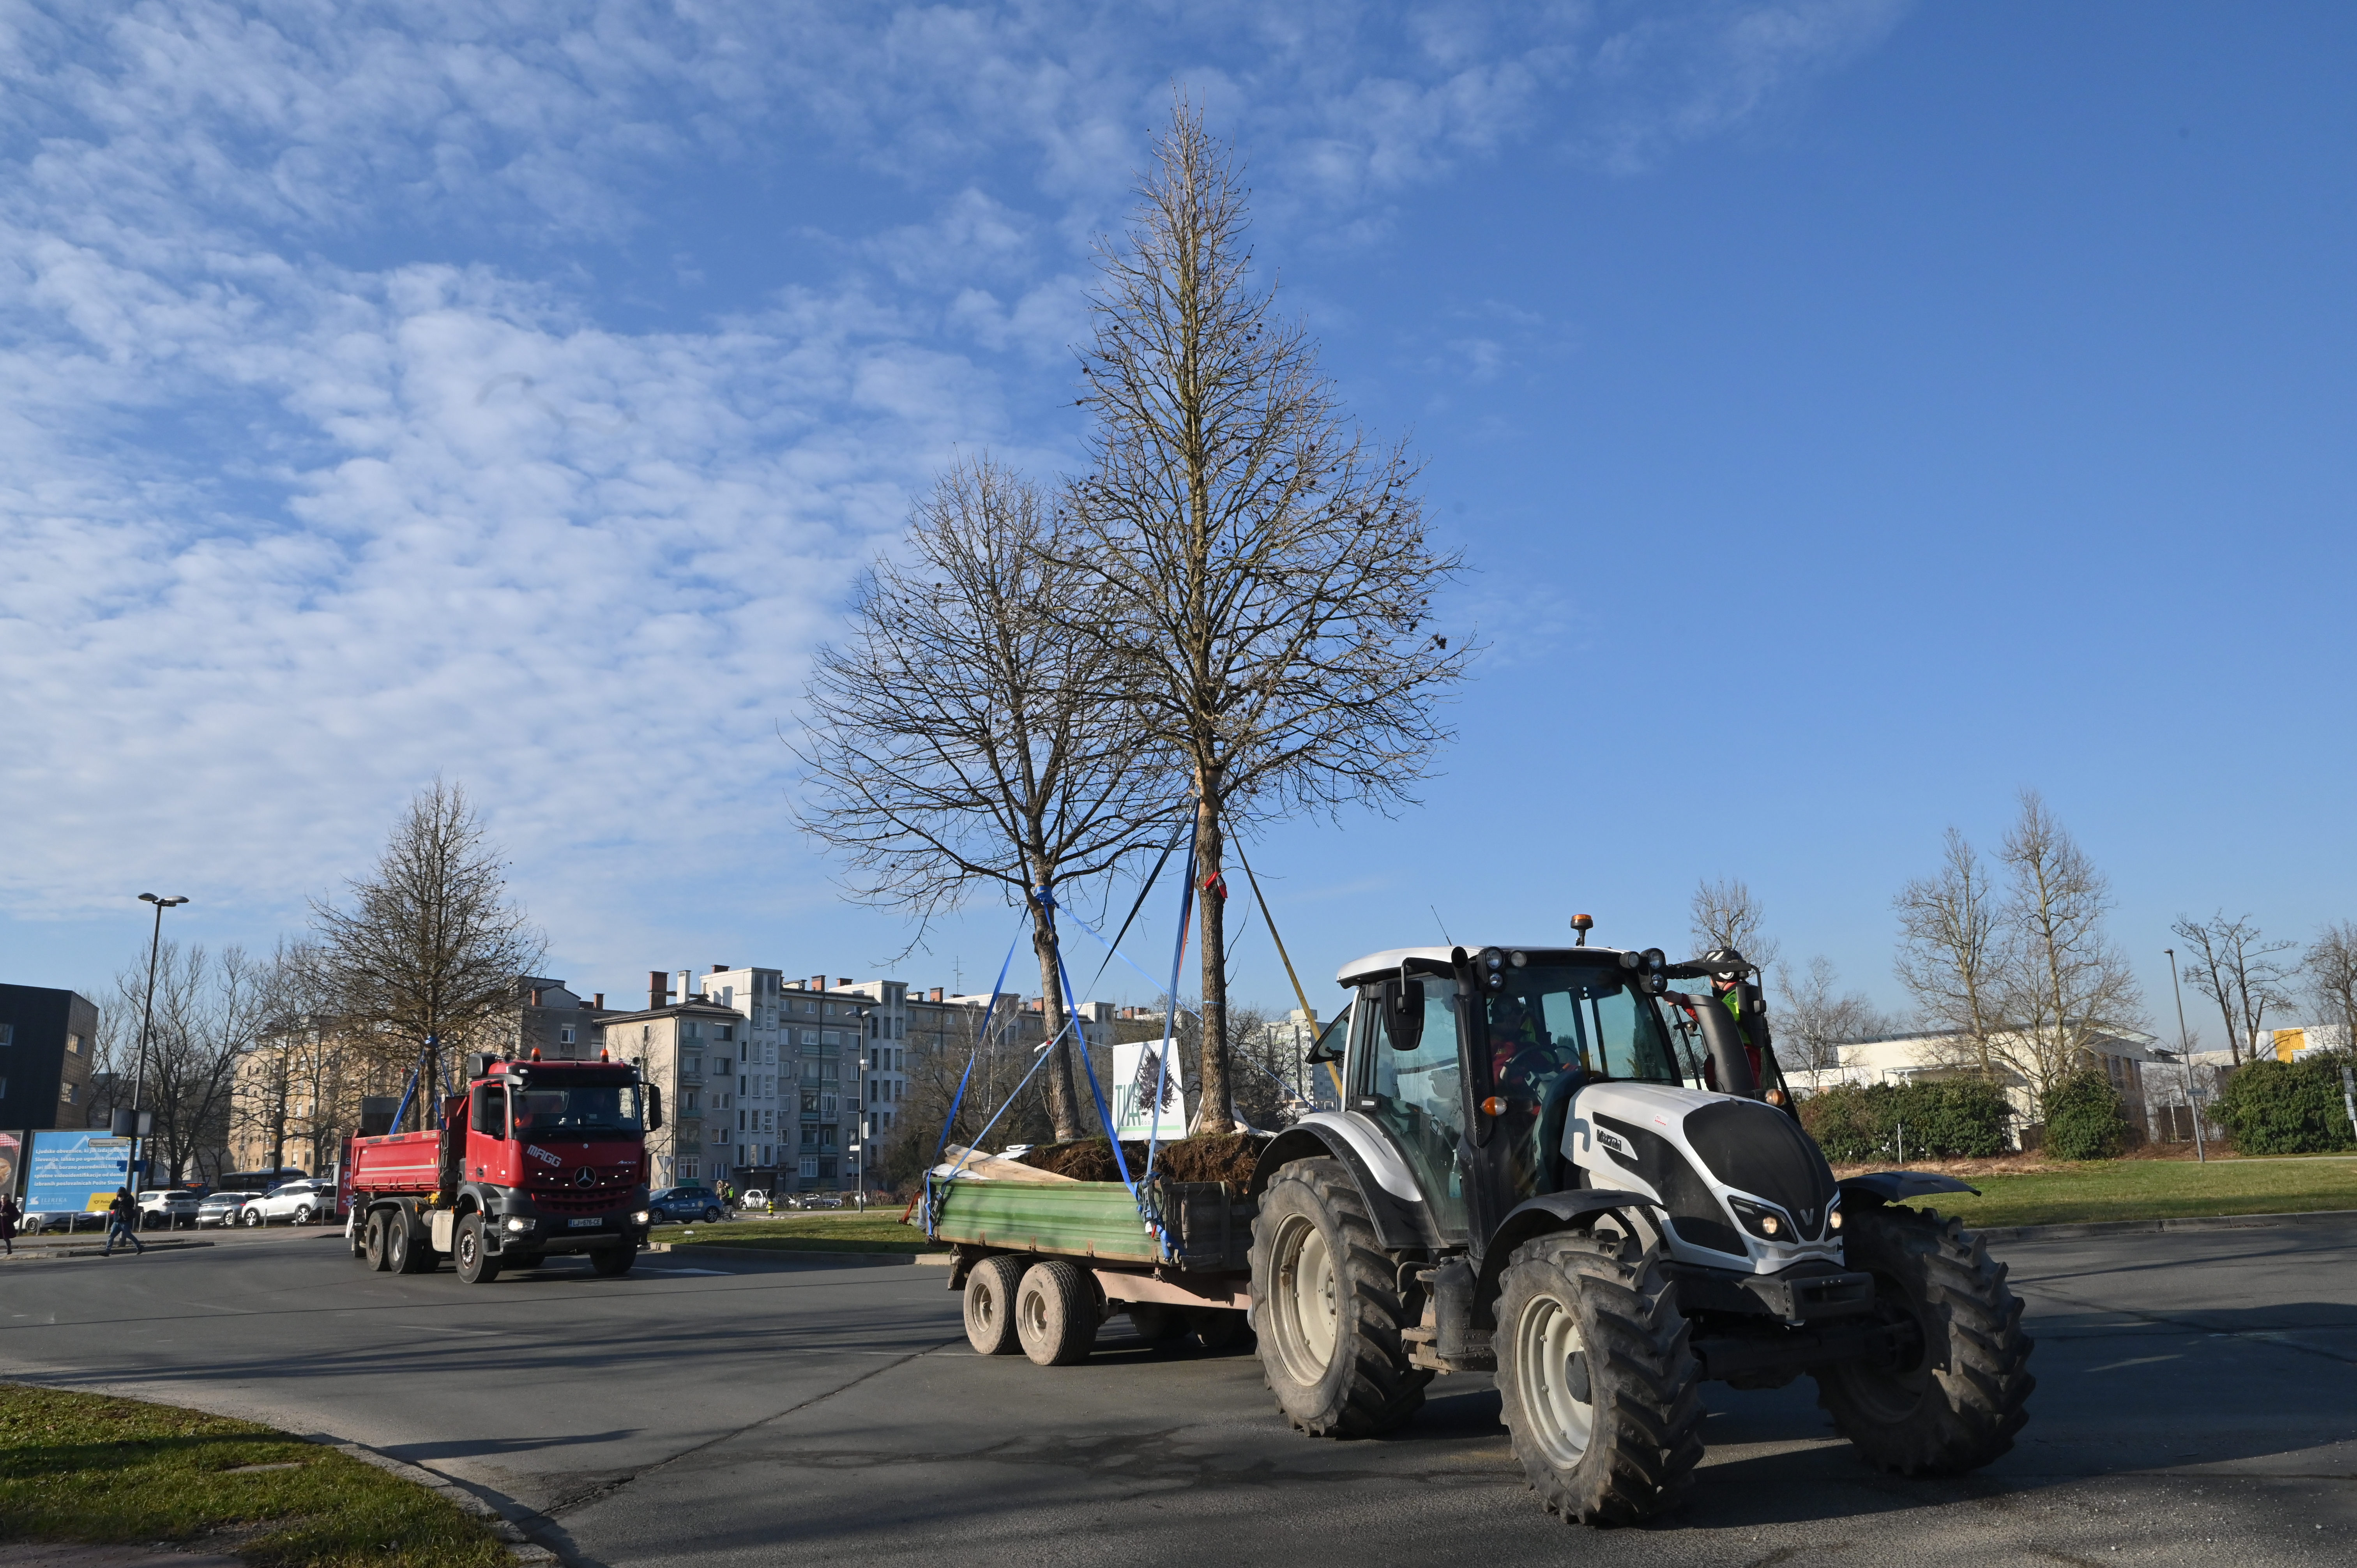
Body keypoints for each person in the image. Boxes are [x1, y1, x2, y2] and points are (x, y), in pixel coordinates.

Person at [102, 1187, 145, 1257]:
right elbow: (111, 1207)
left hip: (126, 1221)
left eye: (120, 1193)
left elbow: (129, 1205)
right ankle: (107, 1251)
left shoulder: (129, 1198)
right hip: (117, 1222)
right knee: (111, 1236)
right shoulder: (118, 1199)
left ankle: (139, 1247)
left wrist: (121, 1201)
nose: (120, 1195)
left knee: (129, 1235)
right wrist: (116, 1200)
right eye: (119, 1194)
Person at [0, 1192, 17, 1256]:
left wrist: (8, 1215)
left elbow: (16, 1214)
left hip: (6, 1225)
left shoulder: (11, 1206)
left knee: (6, 1238)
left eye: (5, 1198)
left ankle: (9, 1250)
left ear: (8, 1199)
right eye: (2, 1198)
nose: (3, 1199)